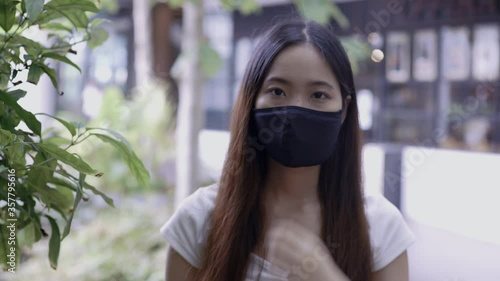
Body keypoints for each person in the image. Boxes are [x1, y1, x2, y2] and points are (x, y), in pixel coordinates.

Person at [160, 18, 415, 281]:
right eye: (278, 91)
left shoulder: (381, 226)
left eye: (319, 95)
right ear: (251, 100)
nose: (295, 108)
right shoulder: (198, 219)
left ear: (344, 110)